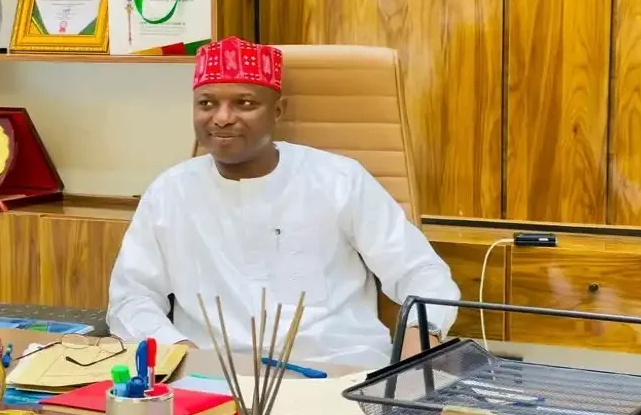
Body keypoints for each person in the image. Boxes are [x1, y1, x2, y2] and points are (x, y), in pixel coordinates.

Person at [106, 36, 461, 368]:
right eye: (207, 103)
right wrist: (183, 355)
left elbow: (422, 274)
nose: (222, 117)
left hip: (340, 373)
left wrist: (417, 352)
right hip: (214, 378)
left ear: (277, 110)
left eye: (245, 103)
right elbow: (131, 298)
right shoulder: (170, 192)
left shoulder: (339, 180)